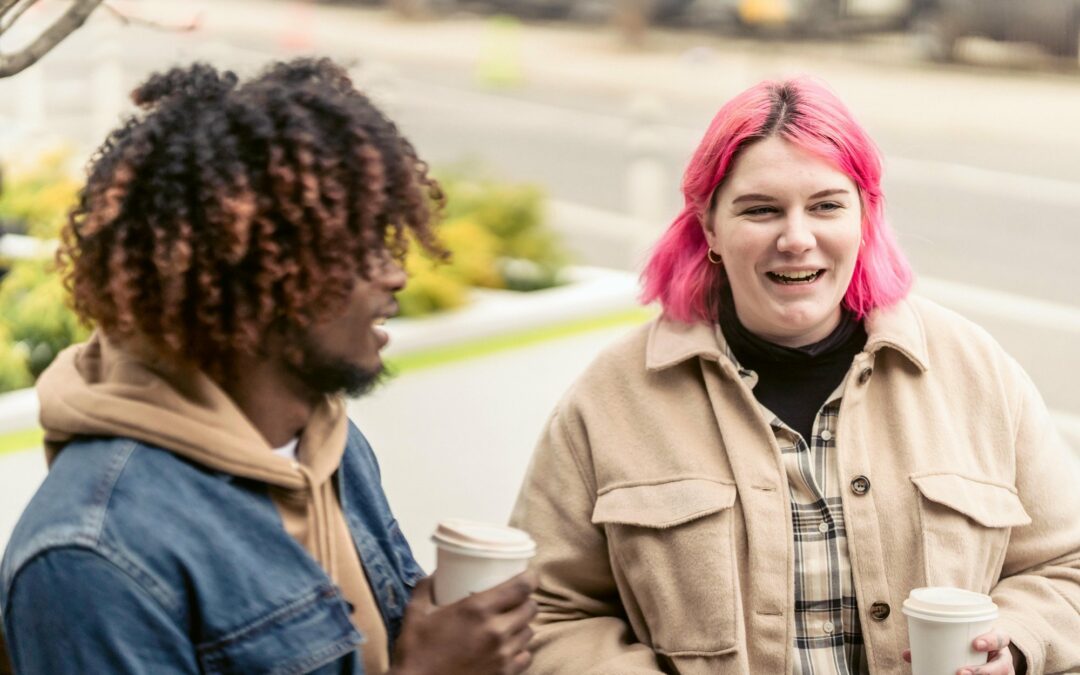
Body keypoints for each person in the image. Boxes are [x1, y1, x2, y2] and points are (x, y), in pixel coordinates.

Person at [510, 77, 1080, 674]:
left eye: (826, 205)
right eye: (761, 210)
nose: (797, 239)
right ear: (709, 228)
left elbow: (1065, 568)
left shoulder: (975, 371)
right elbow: (546, 610)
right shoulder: (612, 397)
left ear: (865, 216)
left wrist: (1012, 644)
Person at [0, 58, 537, 674]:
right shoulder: (93, 553)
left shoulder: (328, 443)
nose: (395, 275)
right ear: (250, 282)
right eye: (354, 252)